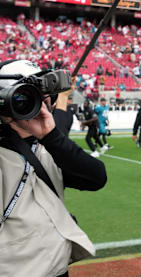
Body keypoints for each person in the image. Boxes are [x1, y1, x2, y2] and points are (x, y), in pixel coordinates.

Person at [0, 59, 107, 276]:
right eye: (26, 95)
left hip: (57, 268)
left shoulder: (49, 145)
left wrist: (52, 137)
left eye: (44, 94)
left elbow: (96, 178)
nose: (42, 102)